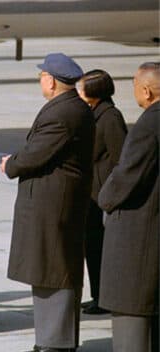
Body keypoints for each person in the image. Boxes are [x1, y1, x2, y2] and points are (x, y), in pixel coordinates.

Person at [1, 53, 95, 352]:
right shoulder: (69, 108)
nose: (40, 79)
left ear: (51, 81)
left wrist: (11, 164)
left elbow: (35, 154)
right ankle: (51, 339)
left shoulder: (62, 113)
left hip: (55, 206)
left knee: (55, 271)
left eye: (42, 75)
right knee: (48, 270)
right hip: (53, 204)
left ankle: (56, 342)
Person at [98, 62, 159, 352]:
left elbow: (127, 175)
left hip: (139, 237)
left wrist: (105, 198)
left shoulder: (148, 125)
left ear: (146, 91)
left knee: (131, 327)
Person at [76, 70, 127, 315]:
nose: (78, 91)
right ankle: (98, 294)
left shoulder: (110, 118)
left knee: (100, 249)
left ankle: (104, 298)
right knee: (92, 248)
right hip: (91, 196)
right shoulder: (95, 114)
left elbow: (121, 160)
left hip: (102, 195)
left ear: (94, 92)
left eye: (82, 88)